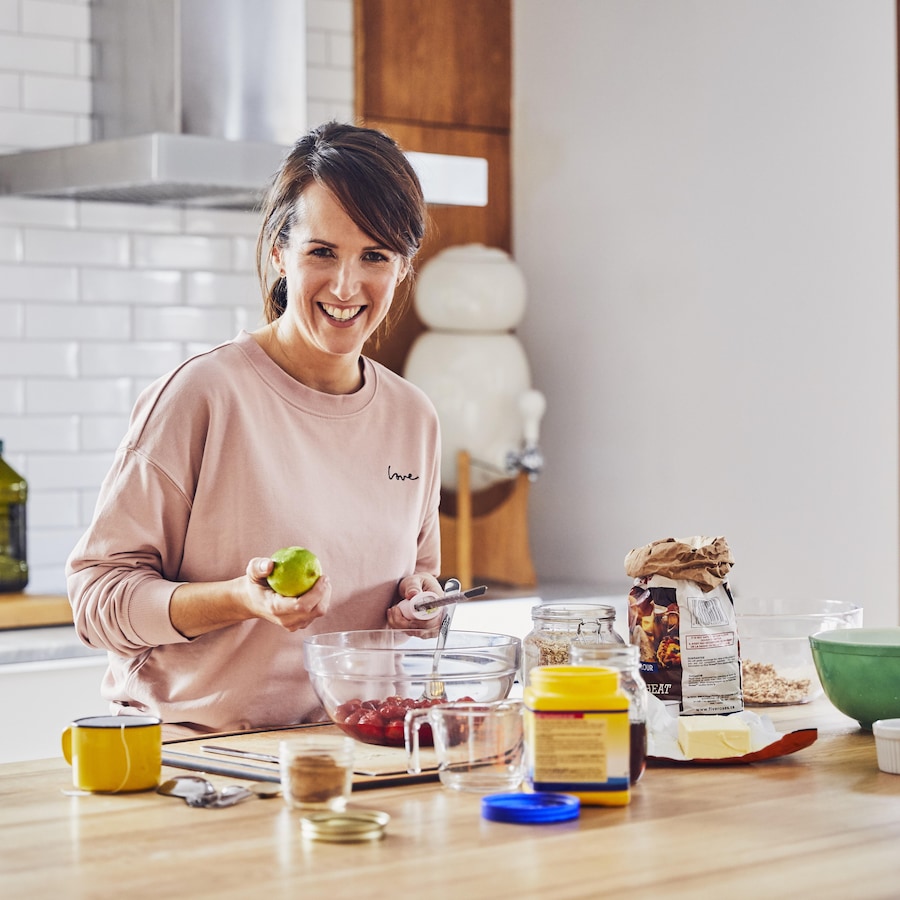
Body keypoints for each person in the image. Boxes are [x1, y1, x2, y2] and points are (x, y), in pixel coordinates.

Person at [66, 122, 444, 737]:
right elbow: (96, 603)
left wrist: (419, 609)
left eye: (374, 255)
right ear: (279, 254)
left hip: (353, 754)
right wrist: (240, 600)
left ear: (402, 267)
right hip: (198, 762)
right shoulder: (203, 394)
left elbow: (416, 591)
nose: (347, 286)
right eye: (322, 252)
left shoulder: (412, 417)